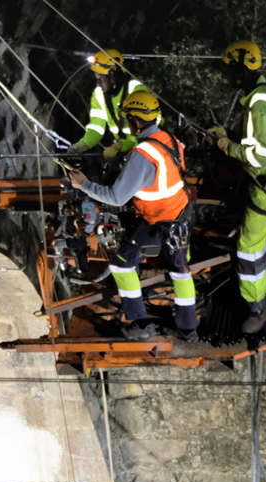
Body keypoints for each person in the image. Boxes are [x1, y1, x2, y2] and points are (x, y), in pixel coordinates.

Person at [69, 91, 198, 342]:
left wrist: (83, 184)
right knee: (181, 271)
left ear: (135, 121)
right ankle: (187, 330)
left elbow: (117, 198)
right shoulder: (169, 139)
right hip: (182, 215)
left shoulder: (142, 156)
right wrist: (126, 146)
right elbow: (154, 150)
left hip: (158, 223)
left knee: (121, 265)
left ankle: (141, 325)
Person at [208, 40, 266, 334]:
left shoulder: (260, 101)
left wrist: (227, 147)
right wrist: (229, 135)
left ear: (241, 69)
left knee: (248, 249)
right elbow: (261, 142)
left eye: (231, 69)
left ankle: (256, 309)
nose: (228, 76)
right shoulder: (262, 97)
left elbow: (262, 154)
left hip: (265, 186)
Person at [69, 50, 158, 160]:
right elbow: (96, 127)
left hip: (146, 153)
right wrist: (83, 144)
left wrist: (123, 145)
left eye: (101, 78)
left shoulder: (136, 91)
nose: (98, 83)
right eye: (96, 78)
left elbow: (150, 132)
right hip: (122, 154)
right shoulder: (98, 94)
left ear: (114, 77)